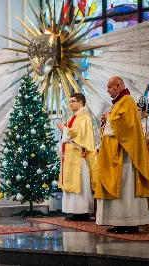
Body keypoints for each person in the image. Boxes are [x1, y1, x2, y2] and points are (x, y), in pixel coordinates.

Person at [95, 76, 149, 234]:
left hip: (125, 156)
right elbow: (113, 125)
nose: (107, 91)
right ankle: (119, 222)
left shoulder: (127, 101)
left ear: (118, 86)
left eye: (110, 87)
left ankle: (130, 223)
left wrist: (109, 119)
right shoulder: (119, 103)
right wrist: (106, 120)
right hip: (115, 153)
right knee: (120, 188)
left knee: (126, 188)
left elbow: (126, 126)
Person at [56, 93, 97, 221]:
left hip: (78, 156)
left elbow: (78, 135)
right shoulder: (76, 116)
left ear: (80, 103)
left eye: (73, 101)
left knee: (80, 184)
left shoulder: (83, 116)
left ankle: (82, 211)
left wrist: (64, 129)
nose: (70, 104)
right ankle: (74, 211)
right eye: (70, 101)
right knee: (72, 183)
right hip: (71, 155)